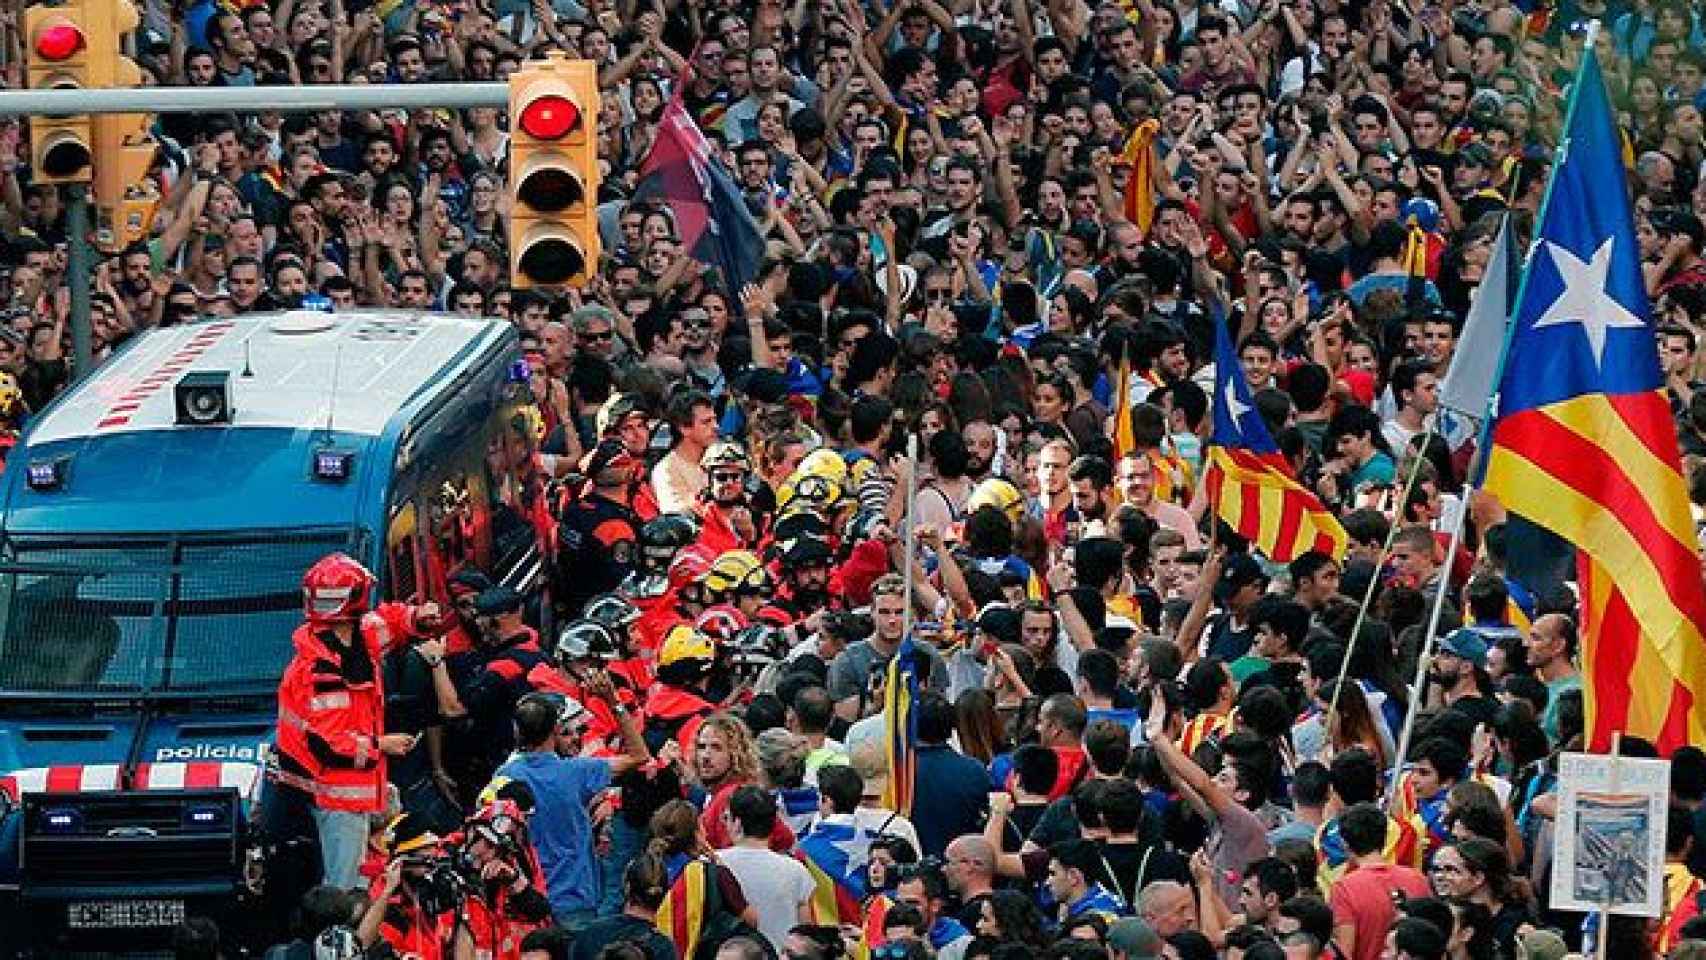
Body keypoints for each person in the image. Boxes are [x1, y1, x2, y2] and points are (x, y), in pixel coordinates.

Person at [272, 554, 436, 891]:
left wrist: (415, 618)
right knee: (346, 892)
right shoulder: (319, 673)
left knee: (368, 882)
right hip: (338, 800)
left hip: (360, 792)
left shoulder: (352, 636)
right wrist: (382, 745)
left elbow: (387, 623)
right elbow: (329, 745)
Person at [497, 679, 650, 931]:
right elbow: (639, 755)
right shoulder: (577, 772)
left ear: (517, 731)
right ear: (555, 730)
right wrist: (614, 703)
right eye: (569, 731)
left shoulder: (503, 776)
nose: (577, 737)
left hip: (526, 901)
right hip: (575, 900)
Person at [717, 784, 817, 951]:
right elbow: (806, 936)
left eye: (727, 818)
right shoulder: (797, 871)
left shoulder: (710, 865)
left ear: (738, 822)